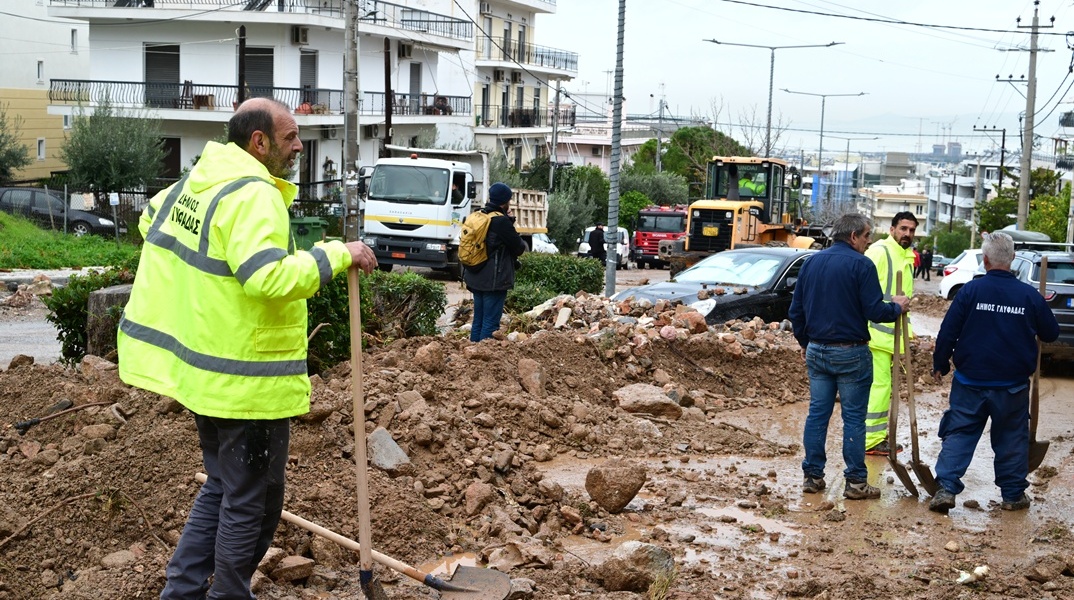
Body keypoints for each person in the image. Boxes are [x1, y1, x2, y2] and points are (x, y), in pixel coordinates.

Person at [117, 98, 378, 599]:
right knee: (253, 501)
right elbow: (265, 276)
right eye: (290, 137)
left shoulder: (198, 181)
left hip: (206, 373)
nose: (299, 146)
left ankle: (184, 590)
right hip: (245, 381)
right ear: (258, 142)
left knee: (224, 487)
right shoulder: (254, 194)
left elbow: (152, 224)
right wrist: (332, 253)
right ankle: (227, 594)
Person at [928, 232, 1059, 513]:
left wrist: (940, 363)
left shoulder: (970, 292)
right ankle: (1012, 496)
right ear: (1011, 259)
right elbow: (1051, 332)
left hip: (969, 382)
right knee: (1011, 438)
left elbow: (947, 332)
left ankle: (946, 489)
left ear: (985, 260)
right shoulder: (1028, 295)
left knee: (960, 432)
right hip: (1011, 386)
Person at [788, 212, 910, 500]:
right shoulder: (862, 265)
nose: (869, 242)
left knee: (817, 415)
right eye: (867, 236)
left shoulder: (811, 262)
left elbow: (796, 311)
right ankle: (855, 483)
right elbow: (874, 311)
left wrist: (805, 342)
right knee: (854, 419)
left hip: (818, 350)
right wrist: (897, 307)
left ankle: (812, 476)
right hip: (851, 352)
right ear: (854, 236)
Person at [863, 212, 918, 456]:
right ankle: (871, 440)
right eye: (903, 228)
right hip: (876, 334)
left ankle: (878, 435)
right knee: (880, 387)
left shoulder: (905, 255)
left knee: (884, 388)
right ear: (892, 228)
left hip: (891, 335)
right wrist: (890, 302)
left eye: (912, 230)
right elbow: (863, 291)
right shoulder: (880, 251)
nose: (907, 234)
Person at [464, 182, 527, 342]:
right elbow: (519, 247)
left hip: (476, 275)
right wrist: (509, 222)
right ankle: (482, 359)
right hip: (493, 280)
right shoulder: (501, 222)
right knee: (490, 323)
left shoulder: (480, 215)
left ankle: (471, 355)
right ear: (505, 202)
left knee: (478, 320)